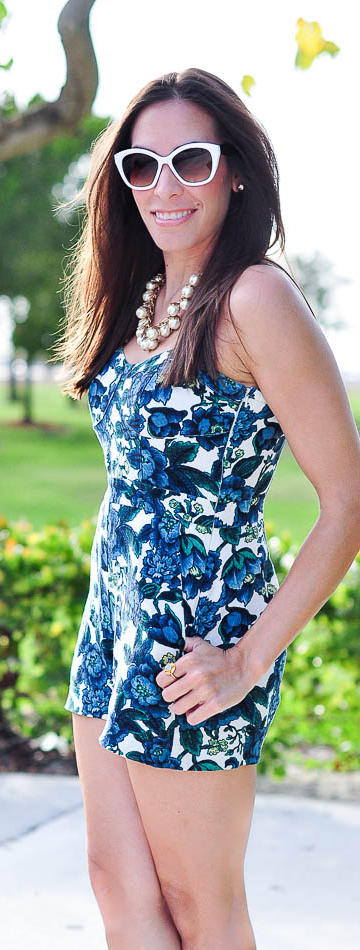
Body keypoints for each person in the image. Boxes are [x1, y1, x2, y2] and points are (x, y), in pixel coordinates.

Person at [52, 67, 360, 950]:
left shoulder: (255, 298)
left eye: (189, 160)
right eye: (140, 168)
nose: (165, 186)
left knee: (202, 908)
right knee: (119, 887)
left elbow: (345, 504)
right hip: (112, 628)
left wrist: (249, 661)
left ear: (233, 171)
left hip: (200, 645)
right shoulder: (138, 297)